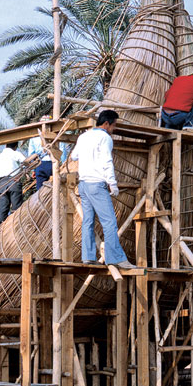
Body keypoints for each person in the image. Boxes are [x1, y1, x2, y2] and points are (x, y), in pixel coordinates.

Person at [70, 109, 134, 268]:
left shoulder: (83, 136)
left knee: (88, 221)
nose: (113, 129)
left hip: (83, 184)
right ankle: (116, 258)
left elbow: (73, 156)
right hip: (96, 183)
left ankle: (88, 257)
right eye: (113, 126)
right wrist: (112, 183)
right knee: (109, 221)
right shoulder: (104, 138)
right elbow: (107, 161)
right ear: (106, 124)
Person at [0, 142, 27, 226]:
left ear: (5, 145)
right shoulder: (15, 153)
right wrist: (22, 174)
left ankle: (0, 229)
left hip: (2, 184)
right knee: (16, 209)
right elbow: (26, 162)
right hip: (14, 181)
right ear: (15, 147)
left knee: (2, 210)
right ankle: (16, 226)